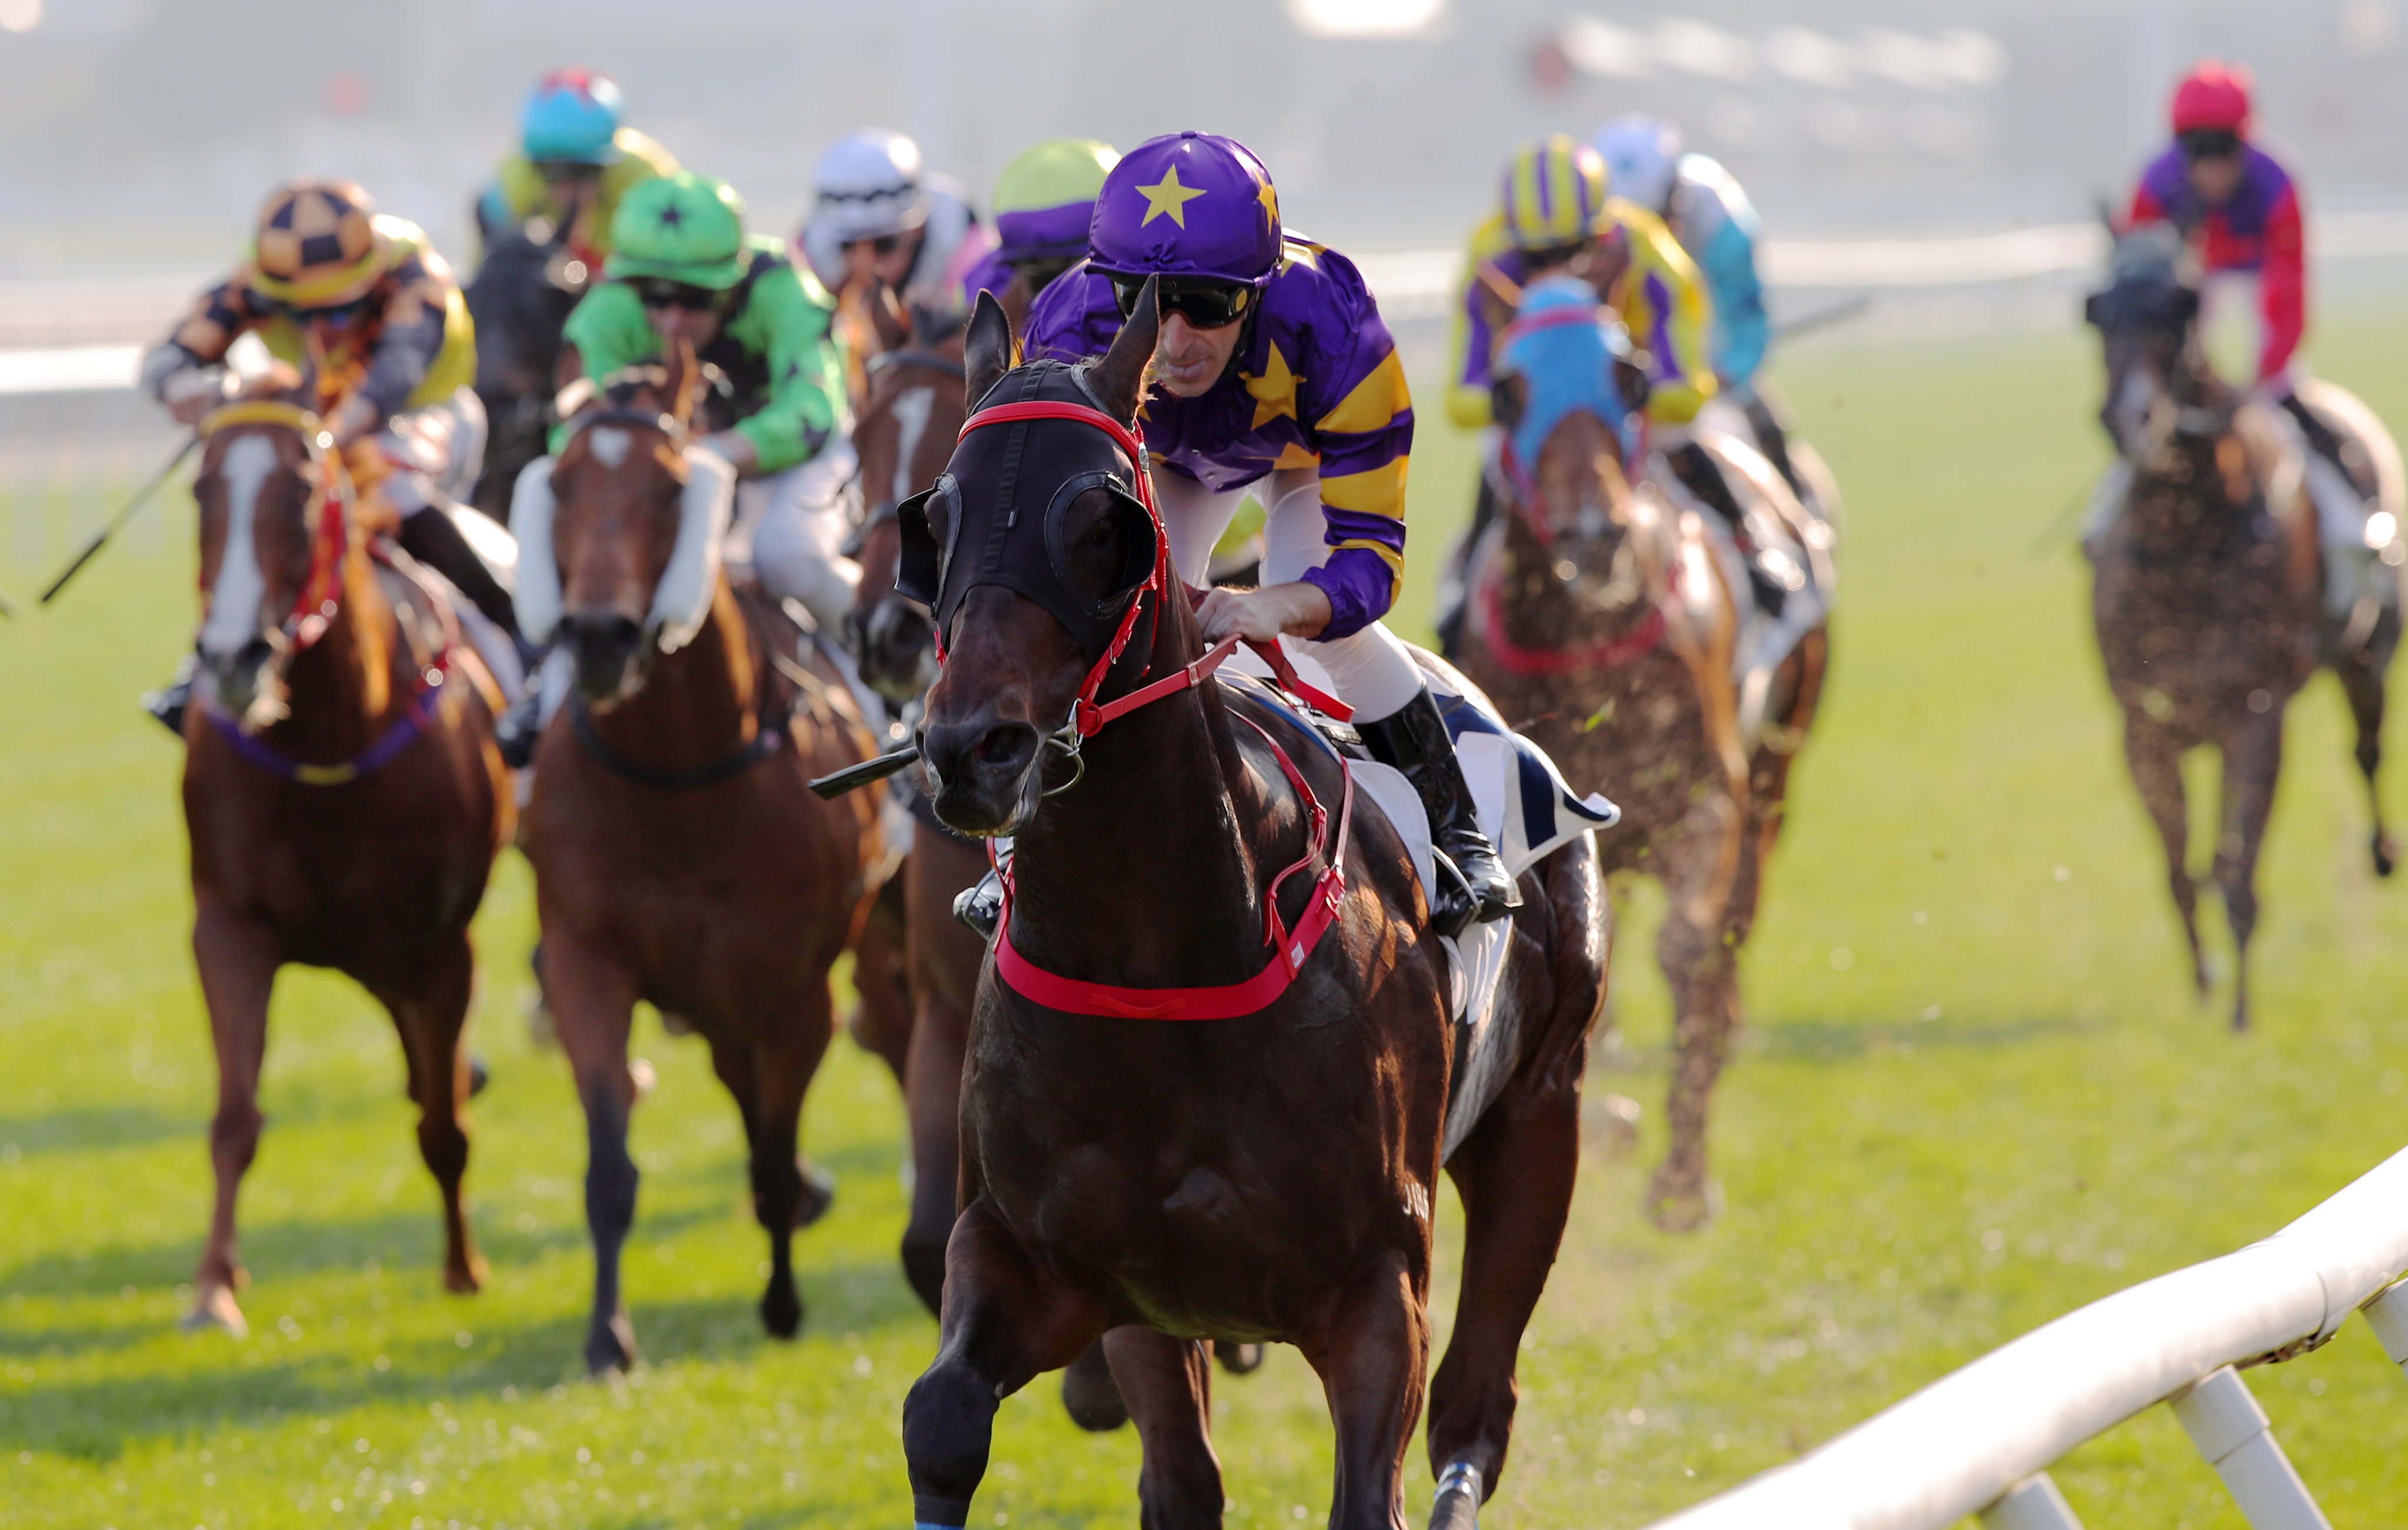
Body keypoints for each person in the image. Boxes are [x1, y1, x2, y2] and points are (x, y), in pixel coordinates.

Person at [1017, 129, 1514, 938]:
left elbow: (1367, 568)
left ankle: (1457, 828)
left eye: (1205, 306)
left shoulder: (1335, 323)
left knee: (1332, 640)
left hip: (1299, 454)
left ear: (1259, 289)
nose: (1172, 342)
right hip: (1163, 455)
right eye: (1138, 303)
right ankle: (1015, 849)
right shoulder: (1066, 327)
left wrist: (1276, 606)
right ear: (1102, 290)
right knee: (1091, 616)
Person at [139, 178, 517, 733]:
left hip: (424, 415)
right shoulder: (257, 278)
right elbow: (169, 356)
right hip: (314, 420)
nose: (318, 330)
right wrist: (182, 387)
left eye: (338, 315)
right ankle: (214, 656)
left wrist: (322, 441)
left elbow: (391, 380)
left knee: (390, 479)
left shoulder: (416, 275)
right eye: (298, 316)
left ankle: (507, 623)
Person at [2120, 59, 2391, 601]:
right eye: (2198, 150)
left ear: (2244, 142)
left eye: (2223, 149)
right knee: (2142, 433)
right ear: (2181, 148)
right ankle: (2104, 525)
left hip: (2257, 320)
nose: (2212, 166)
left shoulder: (2276, 181)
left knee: (2298, 419)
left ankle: (2357, 532)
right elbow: (2141, 294)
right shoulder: (2155, 184)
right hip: (2191, 325)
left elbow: (2288, 288)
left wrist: (2260, 376)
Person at [555, 171, 854, 636]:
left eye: (697, 298)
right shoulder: (608, 310)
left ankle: (887, 672)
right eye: (654, 297)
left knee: (785, 555)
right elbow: (572, 430)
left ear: (733, 280)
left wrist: (715, 452)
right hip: (666, 470)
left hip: (790, 462)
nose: (673, 320)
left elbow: (814, 412)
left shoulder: (783, 290)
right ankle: (540, 688)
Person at [1592, 114, 1801, 497]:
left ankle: (1799, 514)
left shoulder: (1720, 219)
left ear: (1676, 194)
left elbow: (1745, 320)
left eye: (1655, 218)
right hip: (1623, 375)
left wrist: (1724, 372)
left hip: (1705, 357)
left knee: (1761, 420)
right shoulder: (1589, 233)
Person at [799, 129, 995, 343]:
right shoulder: (803, 260)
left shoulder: (970, 254)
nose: (866, 262)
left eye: (885, 244)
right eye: (847, 245)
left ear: (918, 228)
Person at [474, 69, 679, 268]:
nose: (566, 188)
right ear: (533, 164)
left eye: (580, 171)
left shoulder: (646, 179)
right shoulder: (512, 184)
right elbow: (485, 271)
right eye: (550, 171)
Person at [960, 137, 1120, 328]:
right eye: (1038, 270)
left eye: (1076, 269)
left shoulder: (980, 287)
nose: (1058, 293)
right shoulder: (984, 290)